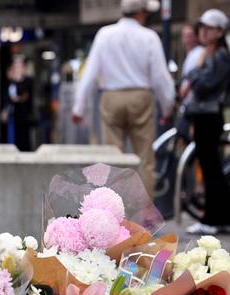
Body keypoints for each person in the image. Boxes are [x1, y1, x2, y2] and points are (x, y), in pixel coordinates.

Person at [72, 0, 175, 198]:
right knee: (145, 159)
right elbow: (160, 78)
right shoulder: (149, 37)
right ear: (141, 13)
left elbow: (91, 74)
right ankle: (144, 217)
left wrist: (79, 108)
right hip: (141, 97)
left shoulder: (105, 34)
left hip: (111, 96)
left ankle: (113, 213)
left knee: (112, 158)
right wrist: (167, 107)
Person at [180, 9, 230, 235]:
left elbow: (204, 85)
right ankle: (215, 218)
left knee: (211, 170)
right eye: (203, 27)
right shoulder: (210, 54)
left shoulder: (218, 55)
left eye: (210, 28)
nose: (204, 32)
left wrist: (193, 73)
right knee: (211, 169)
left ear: (220, 32)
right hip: (204, 116)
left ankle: (213, 219)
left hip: (208, 116)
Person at [3, 57, 33, 151]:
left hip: (24, 114)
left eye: (19, 66)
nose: (17, 69)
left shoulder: (27, 80)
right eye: (15, 66)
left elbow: (23, 94)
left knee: (24, 137)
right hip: (13, 114)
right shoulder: (11, 82)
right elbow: (9, 97)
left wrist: (17, 80)